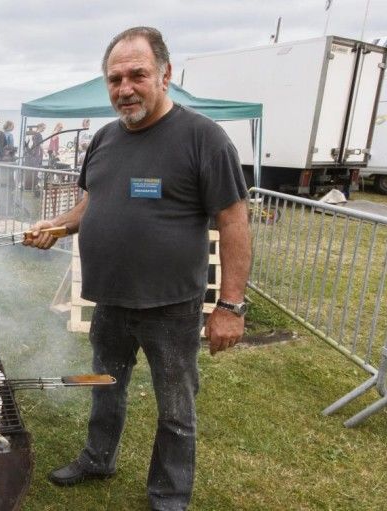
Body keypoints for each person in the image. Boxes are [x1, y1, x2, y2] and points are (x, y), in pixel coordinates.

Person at [23, 26, 250, 511]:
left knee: (176, 408)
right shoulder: (105, 138)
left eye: (137, 75)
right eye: (114, 78)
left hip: (171, 304)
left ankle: (169, 496)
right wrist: (58, 226)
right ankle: (98, 459)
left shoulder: (203, 138)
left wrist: (230, 305)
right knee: (104, 387)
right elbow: (93, 202)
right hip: (110, 299)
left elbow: (233, 220)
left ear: (166, 75)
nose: (124, 88)